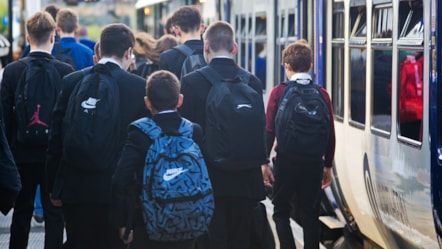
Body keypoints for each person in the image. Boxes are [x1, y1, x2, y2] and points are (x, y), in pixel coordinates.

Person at [45, 23, 150, 249]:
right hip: (116, 194)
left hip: (76, 190)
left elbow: (56, 138)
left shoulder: (72, 82)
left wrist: (54, 186)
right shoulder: (138, 87)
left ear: (99, 50)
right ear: (128, 53)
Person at [180, 20, 274, 249]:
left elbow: (184, 135)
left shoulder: (190, 83)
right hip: (245, 181)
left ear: (205, 47)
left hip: (206, 180)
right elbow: (259, 128)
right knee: (241, 239)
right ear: (235, 48)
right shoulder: (251, 82)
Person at [1, 11, 74, 249]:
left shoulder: (12, 71)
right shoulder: (66, 72)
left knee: (21, 213)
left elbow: (4, 118)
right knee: (54, 215)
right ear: (54, 36)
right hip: (53, 157)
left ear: (28, 37)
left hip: (20, 155)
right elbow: (68, 121)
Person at [112, 70, 203, 249]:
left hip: (148, 223)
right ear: (180, 100)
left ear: (147, 102)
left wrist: (123, 223)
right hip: (187, 221)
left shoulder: (139, 133)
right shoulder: (194, 131)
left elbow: (120, 180)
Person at [265, 40, 336, 249]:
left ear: (286, 66)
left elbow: (269, 130)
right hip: (313, 163)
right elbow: (330, 133)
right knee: (310, 214)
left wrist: (263, 161)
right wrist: (328, 164)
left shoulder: (278, 92)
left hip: (286, 161)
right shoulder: (322, 94)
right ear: (310, 65)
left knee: (280, 211)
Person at [158, 5, 204, 79]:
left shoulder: (167, 57)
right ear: (202, 28)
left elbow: (164, 88)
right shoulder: (212, 52)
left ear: (176, 30)